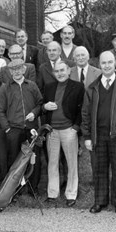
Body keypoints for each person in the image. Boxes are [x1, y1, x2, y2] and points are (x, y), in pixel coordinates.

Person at [81, 51, 116, 215]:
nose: (106, 66)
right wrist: (87, 136)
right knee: (99, 169)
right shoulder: (93, 87)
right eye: (103, 63)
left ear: (115, 64)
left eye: (110, 62)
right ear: (100, 65)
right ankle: (100, 201)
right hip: (98, 135)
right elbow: (85, 113)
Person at [0, 59, 43, 193]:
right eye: (13, 69)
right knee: (14, 161)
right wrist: (7, 128)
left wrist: (34, 113)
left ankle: (33, 189)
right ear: (10, 72)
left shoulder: (32, 85)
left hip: (30, 129)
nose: (16, 71)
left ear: (24, 69)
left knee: (33, 159)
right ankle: (14, 190)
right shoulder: (5, 87)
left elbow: (40, 103)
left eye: (19, 68)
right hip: (14, 129)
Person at [43, 61, 84, 207]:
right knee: (52, 163)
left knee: (72, 163)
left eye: (62, 70)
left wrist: (76, 128)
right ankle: (52, 194)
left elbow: (82, 110)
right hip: (52, 131)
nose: (59, 73)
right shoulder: (49, 87)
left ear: (68, 71)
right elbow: (42, 106)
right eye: (56, 71)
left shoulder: (78, 87)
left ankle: (71, 194)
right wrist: (45, 106)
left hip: (69, 130)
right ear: (54, 73)